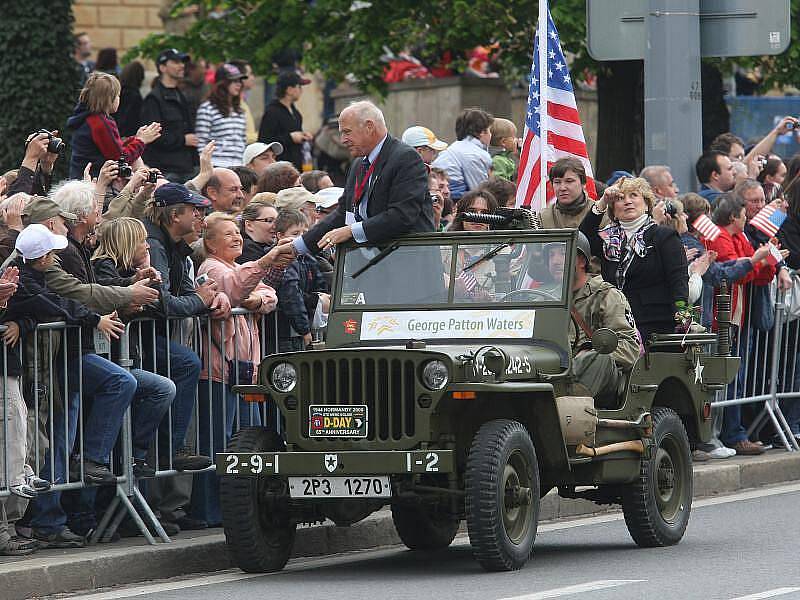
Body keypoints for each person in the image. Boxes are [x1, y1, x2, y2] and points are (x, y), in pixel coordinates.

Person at [8, 224, 132, 548]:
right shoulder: (25, 281)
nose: (56, 257)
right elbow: (54, 306)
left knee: (42, 445)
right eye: (52, 252)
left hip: (44, 371)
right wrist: (96, 319)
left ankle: (44, 521)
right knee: (34, 448)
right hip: (37, 375)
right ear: (43, 257)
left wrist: (22, 323)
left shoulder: (31, 277)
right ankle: (35, 523)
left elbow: (36, 309)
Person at [190, 212, 285, 526]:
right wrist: (264, 266)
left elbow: (268, 295)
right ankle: (208, 511)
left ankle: (243, 507)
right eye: (228, 233)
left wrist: (254, 298)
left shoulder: (233, 267)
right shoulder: (210, 267)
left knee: (249, 438)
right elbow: (233, 289)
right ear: (210, 242)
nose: (236, 237)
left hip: (245, 371)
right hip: (218, 370)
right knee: (218, 443)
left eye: (237, 232)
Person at [91, 217, 198, 477]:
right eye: (142, 242)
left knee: (163, 386)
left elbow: (155, 304)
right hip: (110, 360)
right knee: (161, 387)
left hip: (127, 358)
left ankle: (137, 456)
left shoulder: (126, 271)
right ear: (127, 243)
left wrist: (144, 275)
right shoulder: (103, 265)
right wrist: (135, 285)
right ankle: (132, 456)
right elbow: (155, 304)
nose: (148, 247)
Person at [293, 100, 432, 255]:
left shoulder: (406, 158)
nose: (342, 140)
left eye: (347, 132)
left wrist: (351, 231)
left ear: (369, 127)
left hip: (408, 263)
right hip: (371, 266)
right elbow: (342, 214)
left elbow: (402, 215)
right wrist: (297, 247)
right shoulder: (359, 164)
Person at [708, 195, 780, 456]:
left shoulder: (740, 238)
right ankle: (728, 435)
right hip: (724, 318)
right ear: (733, 217)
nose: (747, 218)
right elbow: (736, 272)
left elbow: (756, 273)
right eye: (743, 214)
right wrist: (757, 261)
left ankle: (734, 433)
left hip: (738, 317)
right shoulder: (720, 237)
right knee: (726, 379)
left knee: (736, 380)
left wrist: (765, 262)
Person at [581, 177, 689, 343]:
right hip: (613, 322)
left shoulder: (664, 237)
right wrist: (602, 202)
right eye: (620, 198)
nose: (628, 201)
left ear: (646, 204)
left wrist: (682, 317)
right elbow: (582, 238)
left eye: (634, 195)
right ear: (613, 210)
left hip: (655, 326)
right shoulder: (607, 239)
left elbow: (679, 281)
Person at [569, 232, 640, 400]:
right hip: (554, 368)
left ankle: (571, 404)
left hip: (600, 377)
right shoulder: (544, 297)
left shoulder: (606, 295)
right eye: (551, 255)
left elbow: (630, 347)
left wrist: (588, 355)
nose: (556, 261)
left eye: (563, 254)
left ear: (581, 261)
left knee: (599, 359)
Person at [68, 72, 162, 180]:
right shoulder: (100, 123)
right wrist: (141, 141)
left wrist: (136, 139)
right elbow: (120, 158)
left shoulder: (88, 119)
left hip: (79, 179)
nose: (119, 99)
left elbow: (113, 148)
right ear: (108, 98)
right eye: (117, 95)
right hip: (94, 182)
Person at [273, 209, 328, 351]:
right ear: (280, 236)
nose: (301, 238)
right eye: (295, 234)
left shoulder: (308, 258)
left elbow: (320, 288)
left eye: (305, 233)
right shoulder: (284, 259)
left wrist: (320, 297)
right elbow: (291, 294)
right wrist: (304, 329)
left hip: (304, 328)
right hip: (283, 332)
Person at [140, 49, 196, 183]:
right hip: (165, 170)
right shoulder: (153, 99)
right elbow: (151, 136)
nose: (182, 65)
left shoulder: (182, 95)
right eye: (176, 62)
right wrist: (182, 140)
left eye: (182, 62)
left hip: (186, 168)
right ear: (162, 67)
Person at [431, 108, 493, 199]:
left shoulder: (451, 149)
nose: (491, 135)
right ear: (482, 133)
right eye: (489, 130)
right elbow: (479, 191)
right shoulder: (477, 154)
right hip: (455, 199)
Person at [195, 64, 248, 168]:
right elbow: (201, 143)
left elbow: (242, 141)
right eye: (234, 81)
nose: (239, 85)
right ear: (222, 83)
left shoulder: (240, 111)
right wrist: (208, 167)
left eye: (240, 81)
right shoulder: (207, 108)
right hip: (216, 165)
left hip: (239, 166)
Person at [258, 71, 313, 171]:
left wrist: (303, 136)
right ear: (289, 90)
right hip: (279, 170)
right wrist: (290, 138)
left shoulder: (296, 113)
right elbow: (264, 142)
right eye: (299, 87)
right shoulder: (272, 112)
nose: (301, 91)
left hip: (296, 168)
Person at [540, 157, 603, 229]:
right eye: (557, 182)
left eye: (569, 181)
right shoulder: (543, 218)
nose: (562, 188)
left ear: (583, 183)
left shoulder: (601, 213)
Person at [228, 60, 259, 145]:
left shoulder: (242, 103)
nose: (253, 77)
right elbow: (233, 136)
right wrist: (260, 136)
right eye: (250, 74)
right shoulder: (230, 105)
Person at [237, 198, 278, 263]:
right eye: (269, 221)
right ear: (249, 225)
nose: (276, 226)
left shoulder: (264, 247)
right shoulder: (246, 250)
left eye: (277, 221)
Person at [114, 61, 145, 138]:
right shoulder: (134, 95)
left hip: (115, 131)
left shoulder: (119, 91)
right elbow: (131, 118)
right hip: (128, 135)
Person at [488, 117, 518, 182]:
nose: (516, 140)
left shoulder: (504, 158)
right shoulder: (498, 160)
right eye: (513, 137)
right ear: (503, 142)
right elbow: (501, 184)